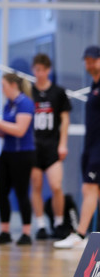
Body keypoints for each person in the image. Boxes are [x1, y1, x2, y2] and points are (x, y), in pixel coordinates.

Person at [54, 46, 100, 249]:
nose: (89, 64)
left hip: (98, 149)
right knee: (92, 189)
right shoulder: (94, 85)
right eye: (87, 61)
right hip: (91, 146)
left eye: (93, 60)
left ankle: (81, 234)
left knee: (89, 188)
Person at [0, 73, 35, 246]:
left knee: (22, 192)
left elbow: (20, 130)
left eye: (4, 85)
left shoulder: (25, 103)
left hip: (22, 153)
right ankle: (5, 231)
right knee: (1, 191)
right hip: (7, 152)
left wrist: (0, 124)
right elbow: (9, 129)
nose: (2, 89)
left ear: (13, 85)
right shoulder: (9, 105)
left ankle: (26, 232)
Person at [30, 53, 72, 240]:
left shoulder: (58, 92)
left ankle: (59, 222)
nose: (39, 73)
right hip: (33, 146)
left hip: (52, 145)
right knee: (36, 185)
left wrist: (63, 143)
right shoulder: (29, 92)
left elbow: (65, 119)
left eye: (43, 70)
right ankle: (40, 225)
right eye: (36, 70)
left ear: (48, 70)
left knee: (56, 185)